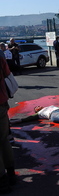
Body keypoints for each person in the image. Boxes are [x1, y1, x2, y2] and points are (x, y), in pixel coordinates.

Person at [0, 56, 16, 193]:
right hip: (1, 102)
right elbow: (7, 74)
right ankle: (11, 173)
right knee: (4, 140)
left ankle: (2, 180)